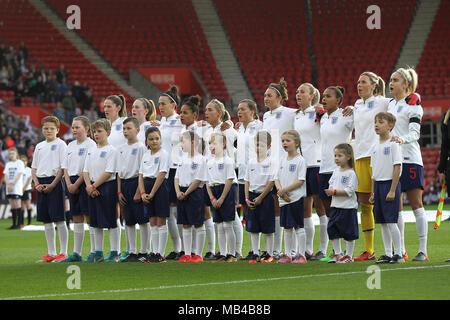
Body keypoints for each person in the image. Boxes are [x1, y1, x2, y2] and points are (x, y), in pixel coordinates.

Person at [388, 67, 428, 261]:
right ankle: (400, 250)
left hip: (410, 159)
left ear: (405, 84)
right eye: (390, 79)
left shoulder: (413, 105)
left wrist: (401, 139)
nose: (391, 82)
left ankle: (423, 250)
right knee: (396, 207)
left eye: (395, 80)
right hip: (392, 161)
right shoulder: (388, 105)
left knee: (416, 205)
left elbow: (415, 133)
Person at [317, 86, 354, 261]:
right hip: (324, 168)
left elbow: (362, 122)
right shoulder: (323, 117)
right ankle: (335, 251)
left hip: (340, 169)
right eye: (323, 96)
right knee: (329, 212)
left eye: (328, 96)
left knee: (342, 212)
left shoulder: (345, 115)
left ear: (338, 100)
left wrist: (354, 108)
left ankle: (348, 253)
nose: (324, 99)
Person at [262, 78, 296, 259]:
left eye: (270, 95)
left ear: (279, 97)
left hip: (286, 167)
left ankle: (296, 250)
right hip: (270, 166)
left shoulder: (291, 113)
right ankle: (276, 250)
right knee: (275, 208)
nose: (266, 98)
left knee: (288, 206)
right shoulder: (265, 116)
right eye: (265, 95)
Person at [179, 96, 216, 260]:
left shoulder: (203, 129)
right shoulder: (179, 130)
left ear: (194, 115)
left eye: (185, 113)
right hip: (186, 174)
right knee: (187, 219)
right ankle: (190, 252)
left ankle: (209, 250)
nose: (181, 115)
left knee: (204, 215)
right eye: (180, 112)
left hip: (201, 176)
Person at [293, 83, 326, 260]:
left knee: (320, 207)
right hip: (302, 166)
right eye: (297, 92)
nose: (298, 94)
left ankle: (323, 248)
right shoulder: (296, 115)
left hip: (317, 163)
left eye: (302, 92)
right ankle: (307, 249)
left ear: (312, 96)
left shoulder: (319, 112)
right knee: (305, 208)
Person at [60, 116, 97, 262]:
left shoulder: (91, 144)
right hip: (71, 182)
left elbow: (88, 167)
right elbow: (65, 166)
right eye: (73, 127)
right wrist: (69, 183)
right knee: (76, 218)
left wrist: (77, 184)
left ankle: (95, 251)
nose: (74, 130)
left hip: (85, 182)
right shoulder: (70, 145)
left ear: (86, 129)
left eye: (77, 127)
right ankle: (76, 252)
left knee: (89, 217)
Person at [32, 116, 68, 263]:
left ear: (57, 130)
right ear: (42, 129)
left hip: (55, 182)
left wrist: (53, 184)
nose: (48, 130)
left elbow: (62, 167)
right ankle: (51, 253)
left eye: (52, 128)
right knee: (46, 220)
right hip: (41, 183)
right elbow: (34, 168)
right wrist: (37, 184)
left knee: (59, 218)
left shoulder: (61, 145)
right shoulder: (39, 146)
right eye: (46, 128)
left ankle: (63, 252)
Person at [82, 119, 119, 262]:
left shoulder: (112, 150)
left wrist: (93, 186)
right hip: (91, 187)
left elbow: (109, 172)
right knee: (95, 221)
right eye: (94, 131)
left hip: (107, 187)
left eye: (99, 131)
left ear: (108, 132)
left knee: (110, 220)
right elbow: (85, 170)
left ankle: (115, 251)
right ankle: (98, 252)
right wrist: (88, 186)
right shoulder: (91, 150)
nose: (96, 134)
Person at [368, 112, 403, 264]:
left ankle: (399, 253)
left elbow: (397, 168)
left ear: (390, 126)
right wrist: (372, 191)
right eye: (375, 122)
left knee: (391, 221)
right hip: (378, 186)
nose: (377, 125)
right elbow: (373, 172)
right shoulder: (374, 146)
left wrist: (393, 190)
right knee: (382, 221)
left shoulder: (394, 145)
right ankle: (388, 253)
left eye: (381, 122)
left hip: (389, 184)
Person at [158, 86, 184, 260]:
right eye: (159, 104)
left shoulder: (180, 120)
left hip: (177, 168)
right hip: (165, 170)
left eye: (163, 104)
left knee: (176, 211)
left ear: (173, 104)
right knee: (168, 212)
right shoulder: (161, 122)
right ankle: (177, 248)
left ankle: (184, 248)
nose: (160, 107)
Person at [116, 117, 148, 263]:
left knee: (142, 219)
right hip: (124, 185)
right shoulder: (120, 149)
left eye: (129, 128)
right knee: (128, 220)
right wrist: (119, 191)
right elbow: (118, 173)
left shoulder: (141, 148)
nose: (126, 131)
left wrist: (138, 191)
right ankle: (132, 251)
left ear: (137, 130)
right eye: (124, 128)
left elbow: (142, 171)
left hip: (136, 183)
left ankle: (145, 250)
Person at [175, 131, 208, 263]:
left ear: (193, 143)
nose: (181, 144)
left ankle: (198, 254)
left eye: (184, 141)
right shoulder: (182, 158)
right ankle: (187, 253)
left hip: (194, 192)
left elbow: (198, 179)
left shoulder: (201, 159)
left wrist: (186, 193)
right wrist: (178, 192)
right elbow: (176, 177)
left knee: (198, 223)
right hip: (181, 192)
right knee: (186, 224)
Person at [275, 130, 307, 264]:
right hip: (283, 199)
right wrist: (280, 191)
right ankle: (287, 255)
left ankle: (302, 255)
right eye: (283, 141)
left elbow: (300, 180)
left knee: (298, 226)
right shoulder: (281, 160)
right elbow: (275, 177)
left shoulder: (300, 160)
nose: (284, 143)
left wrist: (284, 191)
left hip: (295, 197)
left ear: (297, 143)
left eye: (288, 141)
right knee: (287, 226)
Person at [236, 99, 263, 260]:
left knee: (262, 213)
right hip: (243, 176)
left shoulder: (260, 127)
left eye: (243, 109)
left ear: (252, 112)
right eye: (238, 109)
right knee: (249, 213)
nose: (239, 112)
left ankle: (269, 250)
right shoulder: (239, 129)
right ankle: (255, 250)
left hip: (259, 175)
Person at [139, 127, 170, 263]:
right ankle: (154, 251)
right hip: (147, 186)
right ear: (146, 141)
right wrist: (142, 193)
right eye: (151, 139)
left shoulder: (164, 154)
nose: (154, 141)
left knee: (161, 219)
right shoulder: (145, 155)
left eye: (157, 138)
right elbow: (140, 175)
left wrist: (152, 193)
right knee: (152, 221)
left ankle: (160, 253)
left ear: (160, 139)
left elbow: (162, 174)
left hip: (159, 187)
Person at [205, 132, 238, 262]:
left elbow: (229, 179)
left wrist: (222, 198)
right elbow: (207, 181)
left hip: (226, 190)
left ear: (223, 144)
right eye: (210, 143)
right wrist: (212, 198)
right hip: (214, 191)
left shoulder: (228, 160)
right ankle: (222, 254)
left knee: (227, 224)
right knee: (218, 225)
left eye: (215, 143)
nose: (211, 146)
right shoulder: (209, 162)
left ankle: (232, 254)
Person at [244, 130, 276, 263]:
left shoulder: (271, 162)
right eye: (256, 145)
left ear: (268, 147)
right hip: (252, 195)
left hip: (265, 196)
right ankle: (255, 253)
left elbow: (271, 181)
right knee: (253, 227)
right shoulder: (251, 162)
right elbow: (247, 180)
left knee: (267, 226)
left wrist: (261, 197)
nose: (258, 148)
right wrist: (246, 198)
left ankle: (268, 254)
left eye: (262, 145)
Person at [324, 143, 359, 263]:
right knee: (332, 230)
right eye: (335, 155)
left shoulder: (351, 173)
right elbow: (331, 183)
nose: (336, 158)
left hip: (348, 207)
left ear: (348, 157)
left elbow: (350, 190)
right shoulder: (335, 171)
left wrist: (334, 191)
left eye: (340, 155)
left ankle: (349, 255)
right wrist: (331, 190)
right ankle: (337, 254)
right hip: (336, 206)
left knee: (348, 232)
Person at [104, 94, 128, 257]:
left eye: (109, 106)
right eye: (104, 106)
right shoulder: (104, 125)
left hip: (123, 172)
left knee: (126, 212)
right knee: (112, 212)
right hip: (106, 174)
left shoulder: (124, 124)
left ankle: (130, 250)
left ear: (118, 108)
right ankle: (115, 250)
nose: (105, 109)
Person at [3, 148, 24, 229]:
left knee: (17, 205)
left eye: (13, 153)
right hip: (9, 187)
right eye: (10, 154)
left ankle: (19, 224)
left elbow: (19, 175)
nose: (11, 155)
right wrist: (8, 184)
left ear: (16, 154)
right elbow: (5, 175)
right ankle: (13, 224)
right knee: (12, 206)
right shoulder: (8, 164)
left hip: (16, 187)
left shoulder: (20, 163)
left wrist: (13, 184)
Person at [20, 154, 33, 226]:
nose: (23, 162)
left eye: (24, 161)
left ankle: (29, 222)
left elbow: (29, 180)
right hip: (19, 190)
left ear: (27, 162)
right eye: (21, 161)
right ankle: (21, 222)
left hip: (27, 189)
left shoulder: (29, 170)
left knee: (28, 206)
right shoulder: (19, 170)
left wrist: (23, 189)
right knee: (21, 207)